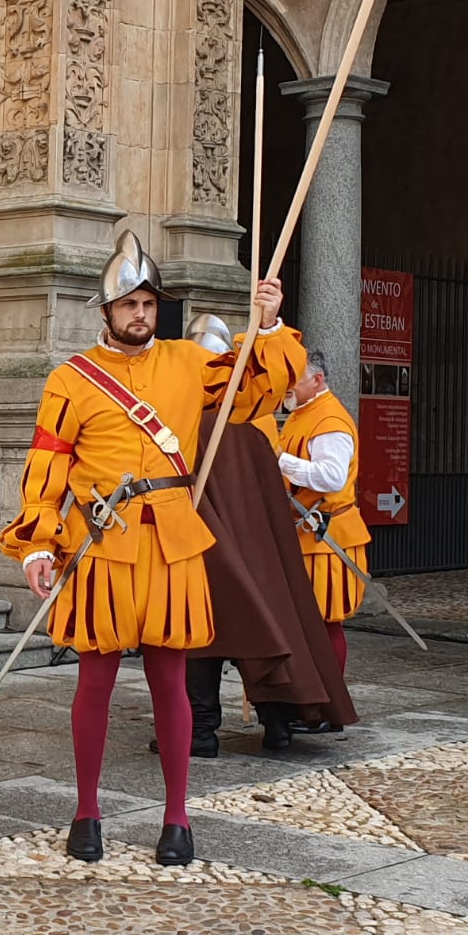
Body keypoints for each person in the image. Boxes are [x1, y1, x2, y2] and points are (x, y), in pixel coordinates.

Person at [0, 232, 303, 868]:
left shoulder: (190, 364)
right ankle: (86, 812)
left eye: (148, 303)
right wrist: (36, 545)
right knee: (96, 683)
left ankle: (177, 817)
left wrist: (268, 325)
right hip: (102, 543)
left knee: (172, 682)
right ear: (104, 311)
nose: (140, 314)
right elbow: (46, 468)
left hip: (172, 543)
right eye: (128, 304)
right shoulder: (70, 380)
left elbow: (255, 392)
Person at [144, 315, 357, 756]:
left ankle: (201, 732)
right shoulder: (259, 415)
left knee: (201, 634)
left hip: (206, 539)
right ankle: (277, 725)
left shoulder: (188, 414)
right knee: (264, 630)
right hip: (258, 543)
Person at [277, 348, 370, 723]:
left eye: (294, 378)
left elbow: (330, 477)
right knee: (308, 625)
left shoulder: (329, 420)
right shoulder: (303, 414)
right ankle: (313, 702)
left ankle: (326, 707)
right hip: (307, 534)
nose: (288, 386)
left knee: (323, 624)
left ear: (317, 379)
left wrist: (278, 460)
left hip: (326, 539)